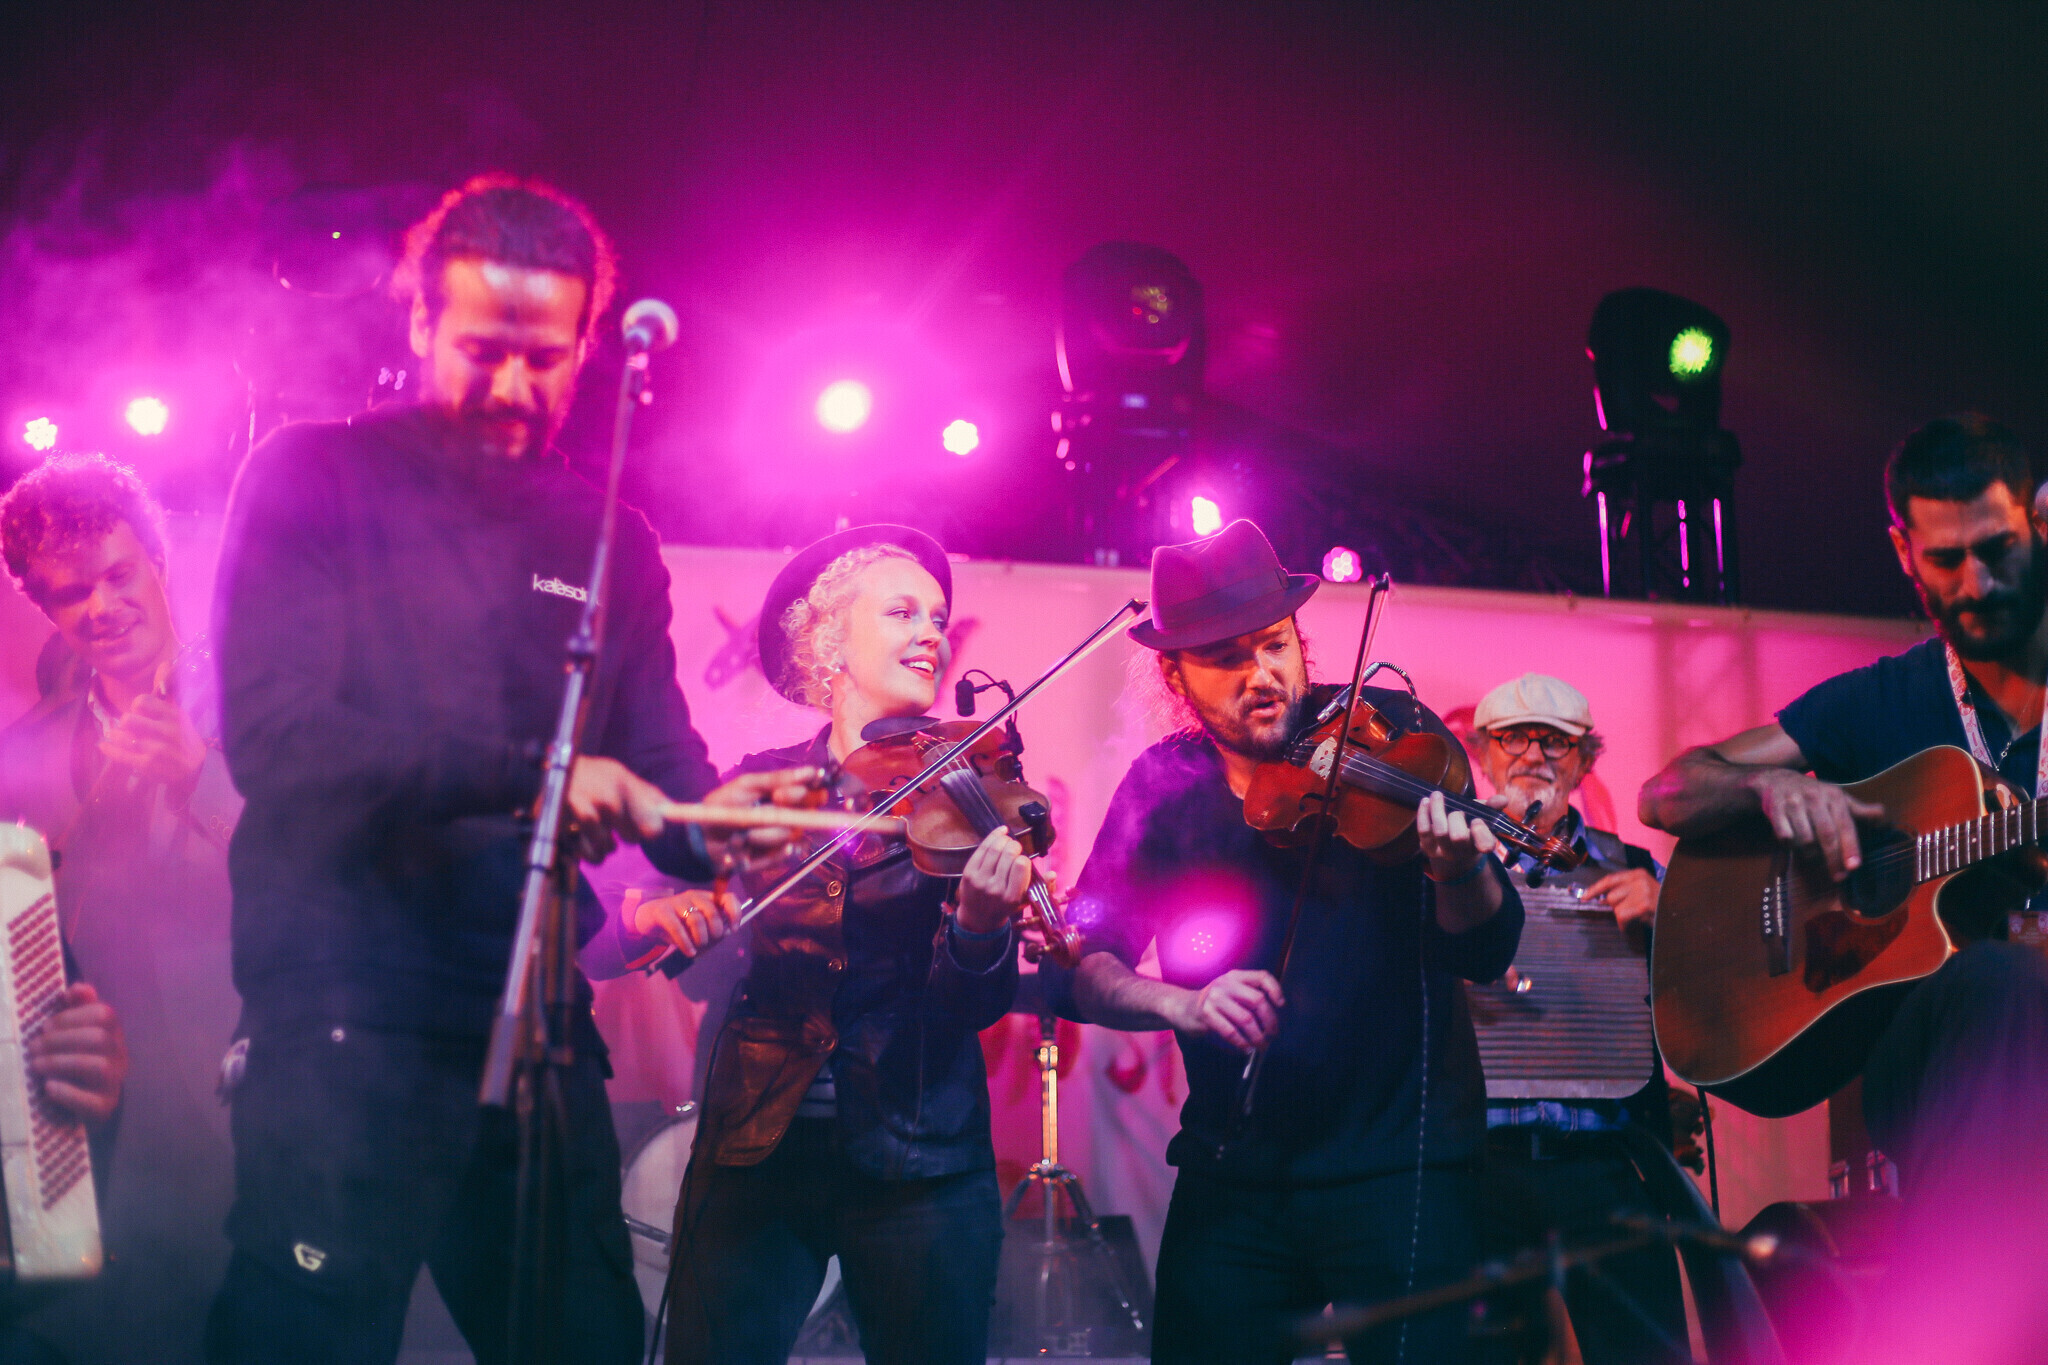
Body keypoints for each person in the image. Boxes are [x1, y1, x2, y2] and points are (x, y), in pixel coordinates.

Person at [204, 174, 807, 1365]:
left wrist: (718, 822)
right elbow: (275, 736)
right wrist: (541, 776)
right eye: (482, 351)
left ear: (586, 347)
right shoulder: (311, 476)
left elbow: (661, 767)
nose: (513, 387)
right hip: (342, 1019)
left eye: (544, 358)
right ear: (421, 322)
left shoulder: (606, 537)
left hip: (535, 1025)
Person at [1040, 519, 1523, 1365]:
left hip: (1401, 1163)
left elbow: (1485, 948)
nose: (1261, 675)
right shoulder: (1164, 783)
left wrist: (1459, 873)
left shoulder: (1393, 732)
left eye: (1274, 645)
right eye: (1226, 659)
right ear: (1175, 674)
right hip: (1235, 1170)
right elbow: (1084, 963)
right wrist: (1181, 1002)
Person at [1638, 413, 2048, 1355]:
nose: (1977, 584)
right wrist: (1767, 787)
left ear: (2036, 523)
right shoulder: (1885, 697)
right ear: (1905, 553)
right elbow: (1667, 791)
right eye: (1947, 559)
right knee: (1999, 982)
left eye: (1998, 550)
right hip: (1932, 1058)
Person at [621, 524, 1035, 1365]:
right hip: (755, 1146)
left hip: (922, 1159)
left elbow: (978, 1003)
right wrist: (663, 911)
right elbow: (647, 921)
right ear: (829, 640)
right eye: (903, 611)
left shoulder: (965, 785)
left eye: (939, 617)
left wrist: (980, 927)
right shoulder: (763, 782)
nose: (931, 632)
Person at [0, 452, 229, 1364]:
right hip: (84, 1150)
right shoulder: (22, 754)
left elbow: (337, 892)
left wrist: (204, 780)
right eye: (68, 594)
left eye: (118, 575)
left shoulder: (263, 711)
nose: (100, 607)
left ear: (158, 561)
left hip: (244, 1122)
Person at [1465, 673, 1687, 1365]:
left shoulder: (1637, 870)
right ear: (1483, 753)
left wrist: (1672, 916)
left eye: (1556, 741)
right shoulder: (1445, 868)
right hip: (1474, 1173)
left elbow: (1709, 999)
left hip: (1604, 1166)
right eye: (1514, 738)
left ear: (1585, 760)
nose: (1534, 754)